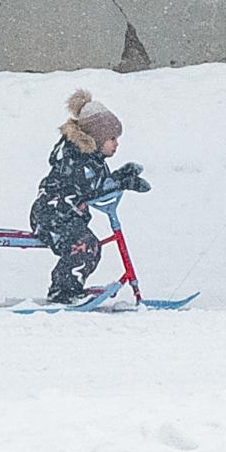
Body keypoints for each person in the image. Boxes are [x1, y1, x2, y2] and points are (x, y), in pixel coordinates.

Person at [30, 91, 147, 304]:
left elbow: (97, 184)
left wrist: (121, 177)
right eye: (112, 139)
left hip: (68, 217)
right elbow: (91, 187)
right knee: (86, 245)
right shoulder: (75, 157)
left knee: (89, 245)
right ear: (97, 137)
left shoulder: (93, 158)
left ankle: (69, 288)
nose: (116, 144)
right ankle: (62, 292)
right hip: (52, 216)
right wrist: (121, 181)